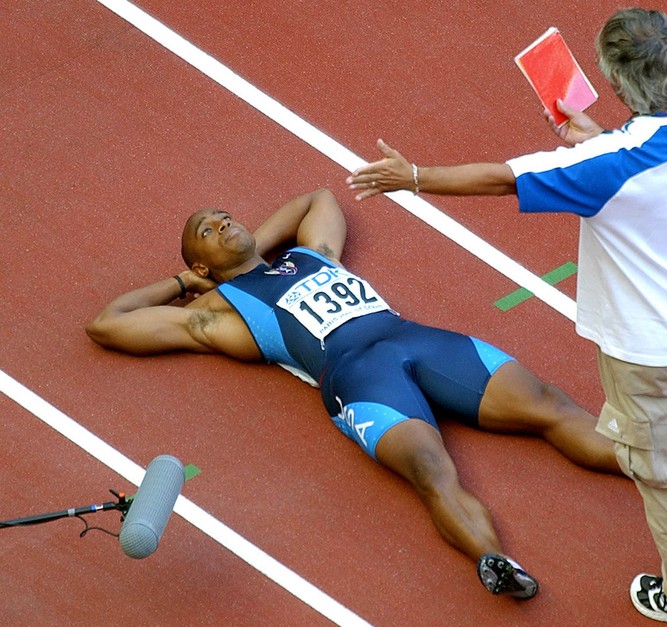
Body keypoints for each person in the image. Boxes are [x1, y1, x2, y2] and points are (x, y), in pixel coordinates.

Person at [346, 7, 667, 626]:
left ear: (621, 84)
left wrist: (412, 176)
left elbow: (500, 179)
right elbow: (654, 157)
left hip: (648, 352)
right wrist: (603, 139)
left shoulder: (603, 168)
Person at [86, 187, 623, 600]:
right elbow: (107, 324)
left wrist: (251, 253)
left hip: (420, 340)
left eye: (225, 215)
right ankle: (494, 561)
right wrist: (188, 284)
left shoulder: (313, 255)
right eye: (207, 228)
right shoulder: (220, 314)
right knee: (431, 472)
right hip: (361, 381)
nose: (222, 222)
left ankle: (662, 465)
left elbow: (317, 198)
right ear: (199, 263)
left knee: (551, 405)